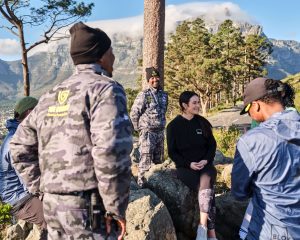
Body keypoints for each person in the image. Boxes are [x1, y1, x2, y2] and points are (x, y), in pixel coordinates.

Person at [10, 22, 133, 240]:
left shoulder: (50, 95)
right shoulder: (105, 89)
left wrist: (42, 187)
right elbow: (111, 151)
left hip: (52, 207)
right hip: (89, 209)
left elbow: (18, 147)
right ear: (101, 56)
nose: (114, 56)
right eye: (111, 51)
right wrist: (114, 208)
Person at [232, 77, 300, 240]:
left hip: (270, 231)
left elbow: (239, 192)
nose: (249, 114)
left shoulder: (251, 141)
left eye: (248, 109)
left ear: (256, 105)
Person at [167, 91, 218, 240]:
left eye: (198, 102)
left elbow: (212, 146)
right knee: (208, 193)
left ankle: (202, 228)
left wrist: (206, 160)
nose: (197, 105)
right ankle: (211, 234)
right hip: (185, 168)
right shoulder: (173, 126)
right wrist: (188, 164)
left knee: (206, 181)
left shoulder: (202, 122)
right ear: (184, 105)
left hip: (205, 166)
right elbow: (172, 152)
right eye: (194, 103)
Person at [0, 97, 47, 239]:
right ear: (29, 113)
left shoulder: (21, 134)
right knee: (52, 219)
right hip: (18, 197)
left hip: (22, 192)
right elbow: (28, 181)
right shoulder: (16, 141)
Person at [130, 67, 168, 186]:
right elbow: (134, 113)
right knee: (145, 162)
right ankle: (142, 188)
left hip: (160, 133)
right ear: (148, 80)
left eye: (157, 77)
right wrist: (139, 129)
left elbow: (163, 111)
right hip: (147, 133)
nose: (155, 80)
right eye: (152, 78)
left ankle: (157, 189)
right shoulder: (144, 95)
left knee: (158, 163)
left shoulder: (164, 95)